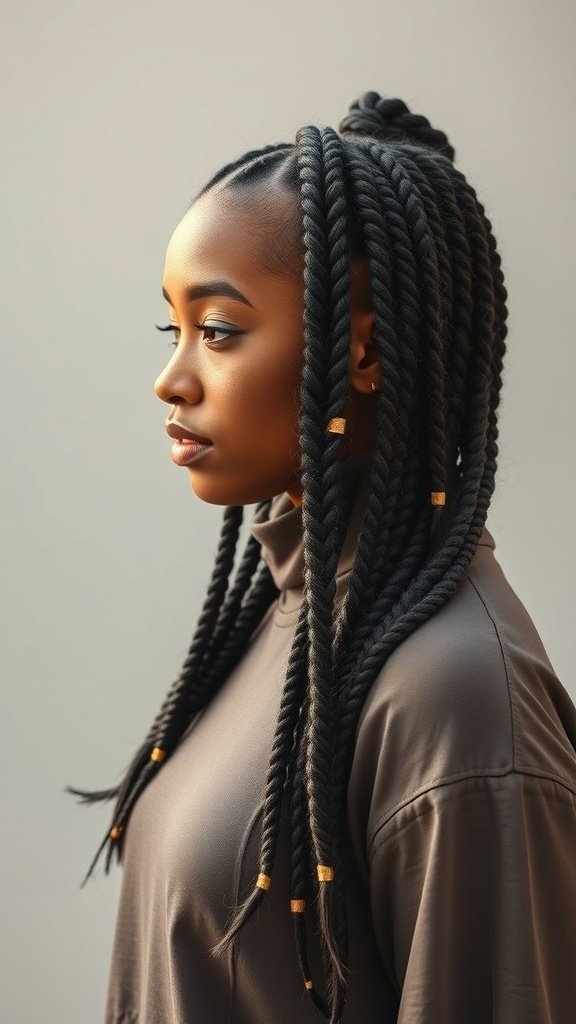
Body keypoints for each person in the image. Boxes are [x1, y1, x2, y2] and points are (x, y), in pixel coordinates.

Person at [67, 91, 576, 1024]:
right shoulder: (295, 614)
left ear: (364, 351)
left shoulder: (456, 696)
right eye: (169, 329)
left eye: (217, 332)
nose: (171, 378)